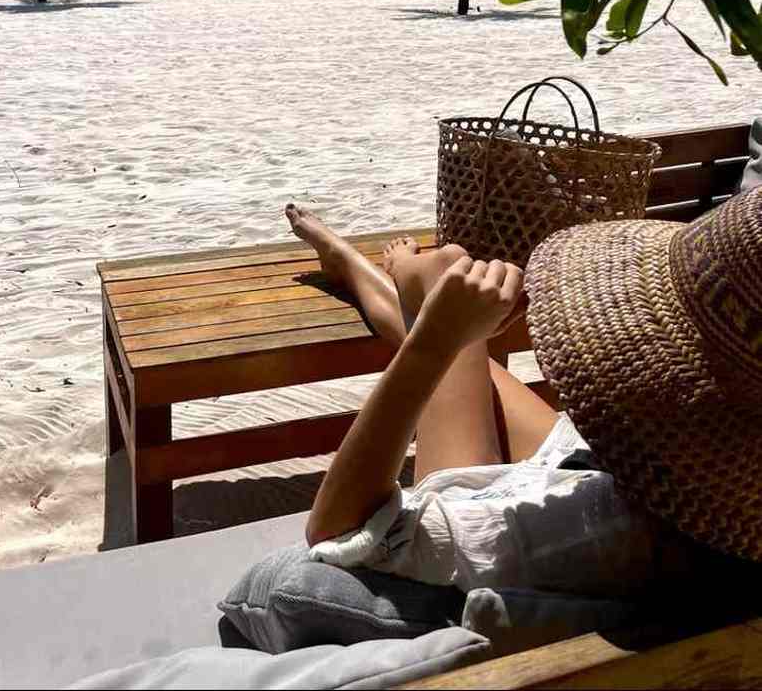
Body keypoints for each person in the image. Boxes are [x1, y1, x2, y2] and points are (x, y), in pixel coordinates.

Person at [284, 187, 762, 597]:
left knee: (450, 341)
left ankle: (397, 279)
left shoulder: (586, 530)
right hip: (635, 467)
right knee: (461, 349)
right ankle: (377, 274)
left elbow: (337, 530)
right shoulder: (729, 511)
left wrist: (433, 344)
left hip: (529, 501)